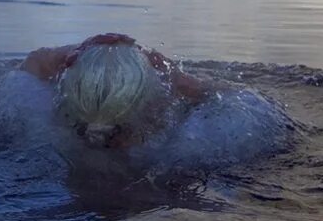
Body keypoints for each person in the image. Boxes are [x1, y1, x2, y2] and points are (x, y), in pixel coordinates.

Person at [20, 33, 214, 149]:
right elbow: (223, 92)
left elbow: (32, 62)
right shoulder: (167, 140)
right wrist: (162, 65)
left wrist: (76, 51)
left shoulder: (48, 132)